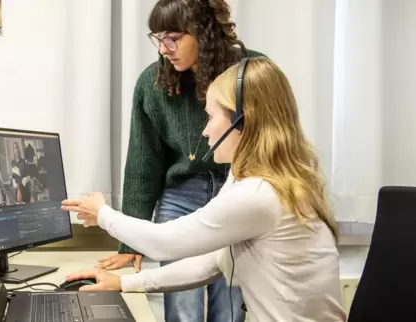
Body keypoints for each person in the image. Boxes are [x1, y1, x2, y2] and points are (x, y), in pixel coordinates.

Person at [62, 57, 347, 322]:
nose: (204, 131)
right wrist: (125, 283)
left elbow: (164, 242)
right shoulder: (266, 181)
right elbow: (214, 263)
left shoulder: (260, 194)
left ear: (242, 122)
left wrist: (102, 215)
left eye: (210, 117)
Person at [97, 0, 264, 321]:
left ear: (203, 33)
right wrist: (129, 243)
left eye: (172, 37)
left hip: (239, 190)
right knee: (181, 307)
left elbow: (276, 138)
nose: (163, 49)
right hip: (181, 193)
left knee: (230, 304)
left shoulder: (252, 72)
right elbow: (142, 165)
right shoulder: (153, 83)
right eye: (158, 38)